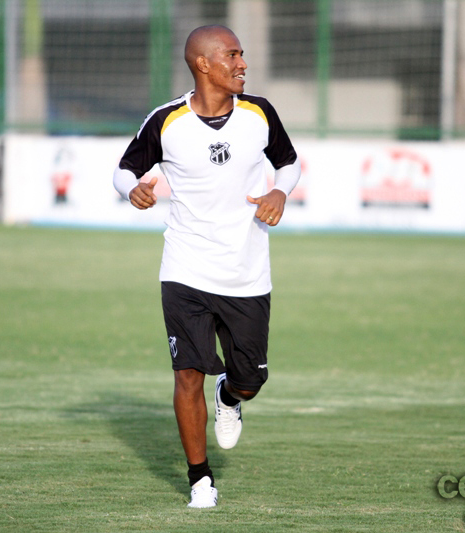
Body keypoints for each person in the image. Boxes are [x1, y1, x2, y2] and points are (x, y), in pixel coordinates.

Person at [112, 24, 300, 508]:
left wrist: (280, 190)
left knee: (250, 380)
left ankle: (231, 399)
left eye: (242, 55)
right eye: (232, 55)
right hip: (185, 270)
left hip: (246, 273)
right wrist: (130, 188)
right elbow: (125, 168)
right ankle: (200, 480)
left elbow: (289, 162)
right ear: (203, 64)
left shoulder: (259, 113)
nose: (242, 64)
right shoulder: (166, 121)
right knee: (186, 373)